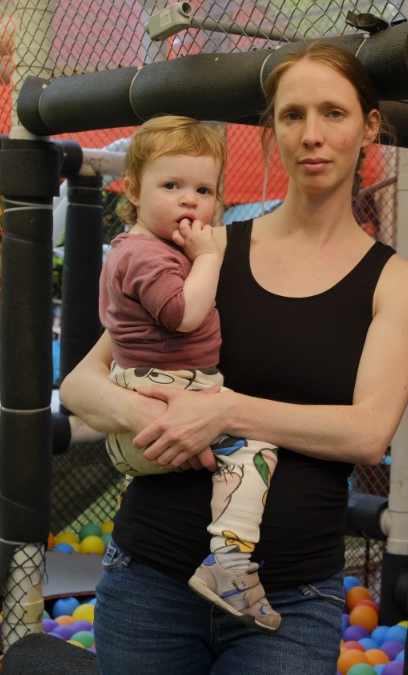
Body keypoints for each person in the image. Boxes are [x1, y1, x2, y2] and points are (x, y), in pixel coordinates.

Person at [59, 41, 408, 675]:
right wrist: (149, 413)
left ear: (369, 127)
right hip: (151, 578)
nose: (312, 134)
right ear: (270, 130)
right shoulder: (209, 249)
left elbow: (367, 433)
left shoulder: (393, 281)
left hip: (289, 600)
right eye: (292, 115)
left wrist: (223, 411)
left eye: (333, 113)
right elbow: (80, 384)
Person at [98, 115, 283, 632]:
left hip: (158, 389)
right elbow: (183, 314)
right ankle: (229, 564)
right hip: (167, 389)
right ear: (133, 191)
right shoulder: (145, 255)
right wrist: (208, 258)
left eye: (203, 190)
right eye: (171, 186)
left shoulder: (145, 248)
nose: (189, 201)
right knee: (254, 451)